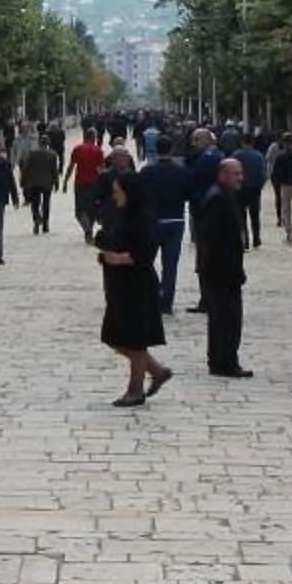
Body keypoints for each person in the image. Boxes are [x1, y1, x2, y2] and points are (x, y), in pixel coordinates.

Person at [94, 169, 174, 407]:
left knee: (135, 340)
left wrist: (116, 259)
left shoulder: (143, 217)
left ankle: (135, 390)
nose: (114, 196)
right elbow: (118, 241)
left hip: (137, 286)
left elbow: (144, 253)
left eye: (118, 192)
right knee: (114, 336)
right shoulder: (124, 214)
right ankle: (157, 371)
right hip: (119, 286)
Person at [198, 156, 252, 376]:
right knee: (226, 319)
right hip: (222, 272)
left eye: (241, 173)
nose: (240, 178)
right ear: (222, 175)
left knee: (224, 318)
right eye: (235, 174)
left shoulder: (225, 195)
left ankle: (221, 359)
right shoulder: (217, 199)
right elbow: (211, 239)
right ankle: (225, 362)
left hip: (225, 270)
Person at [137, 136, 192, 316]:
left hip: (152, 222)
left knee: (146, 262)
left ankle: (149, 296)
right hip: (175, 221)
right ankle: (166, 302)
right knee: (170, 266)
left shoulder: (146, 172)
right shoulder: (182, 173)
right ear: (171, 149)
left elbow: (139, 196)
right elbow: (187, 196)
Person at [68, 125, 108, 243]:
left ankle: (87, 229)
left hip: (80, 182)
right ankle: (89, 229)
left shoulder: (77, 149)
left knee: (80, 210)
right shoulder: (98, 150)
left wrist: (65, 180)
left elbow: (71, 166)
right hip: (94, 183)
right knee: (92, 209)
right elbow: (102, 169)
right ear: (93, 137)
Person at [233, 130, 268, 249]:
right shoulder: (258, 156)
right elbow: (264, 174)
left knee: (241, 216)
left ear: (242, 142)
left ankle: (245, 241)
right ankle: (256, 239)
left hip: (240, 189)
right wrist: (260, 186)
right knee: (255, 216)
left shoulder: (236, 155)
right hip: (254, 189)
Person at [20, 135, 59, 237]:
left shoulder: (32, 154)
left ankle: (37, 219)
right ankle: (45, 224)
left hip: (34, 182)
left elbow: (26, 168)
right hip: (47, 183)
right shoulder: (52, 154)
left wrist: (23, 180)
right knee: (46, 203)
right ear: (48, 143)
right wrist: (56, 183)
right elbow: (54, 170)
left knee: (35, 203)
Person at [270, 134, 292, 240]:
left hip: (285, 185)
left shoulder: (281, 156)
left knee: (286, 210)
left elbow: (276, 172)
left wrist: (277, 184)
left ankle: (289, 233)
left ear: (284, 143)